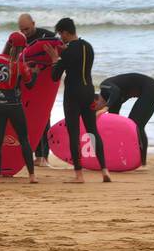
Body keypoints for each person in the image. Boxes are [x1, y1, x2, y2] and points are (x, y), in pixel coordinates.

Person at [46, 18, 111, 184]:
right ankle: (105, 170)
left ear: (66, 32)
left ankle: (79, 176)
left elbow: (55, 77)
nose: (61, 38)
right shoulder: (88, 47)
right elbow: (78, 62)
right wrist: (63, 55)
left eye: (61, 34)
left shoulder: (67, 52)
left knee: (74, 134)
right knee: (92, 131)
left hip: (73, 95)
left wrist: (55, 59)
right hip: (89, 92)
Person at [0, 32, 38, 183]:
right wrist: (34, 72)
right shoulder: (20, 65)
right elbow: (29, 85)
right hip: (14, 106)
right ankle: (31, 176)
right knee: (24, 139)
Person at [94, 72, 154, 169]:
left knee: (136, 125)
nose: (95, 110)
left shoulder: (104, 86)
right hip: (147, 92)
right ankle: (128, 157)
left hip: (152, 89)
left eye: (94, 107)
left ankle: (143, 164)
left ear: (96, 100)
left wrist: (106, 108)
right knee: (131, 127)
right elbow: (114, 125)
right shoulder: (113, 102)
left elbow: (116, 91)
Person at [18, 13, 59, 166]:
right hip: (28, 84)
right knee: (28, 118)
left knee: (44, 117)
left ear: (34, 23)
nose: (25, 33)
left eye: (27, 29)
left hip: (44, 84)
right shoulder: (19, 39)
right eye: (22, 30)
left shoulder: (47, 36)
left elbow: (59, 55)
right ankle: (32, 154)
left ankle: (43, 157)